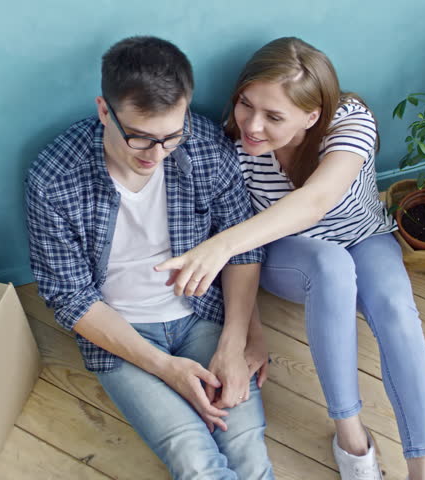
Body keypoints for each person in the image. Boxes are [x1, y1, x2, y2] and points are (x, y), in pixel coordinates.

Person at [156, 37, 425, 480]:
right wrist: (251, 332)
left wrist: (220, 244)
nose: (251, 124)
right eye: (245, 104)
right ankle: (351, 440)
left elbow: (317, 201)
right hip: (292, 258)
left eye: (273, 116)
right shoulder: (230, 146)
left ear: (312, 116)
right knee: (331, 266)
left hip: (363, 238)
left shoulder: (351, 122)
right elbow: (246, 253)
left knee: (398, 312)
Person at [24, 36, 274, 480]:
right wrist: (166, 369)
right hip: (121, 334)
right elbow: (70, 298)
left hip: (204, 316)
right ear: (105, 111)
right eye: (140, 139)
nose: (156, 155)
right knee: (195, 463)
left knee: (248, 451)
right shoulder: (53, 179)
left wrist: (236, 342)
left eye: (170, 137)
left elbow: (242, 246)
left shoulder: (203, 146)